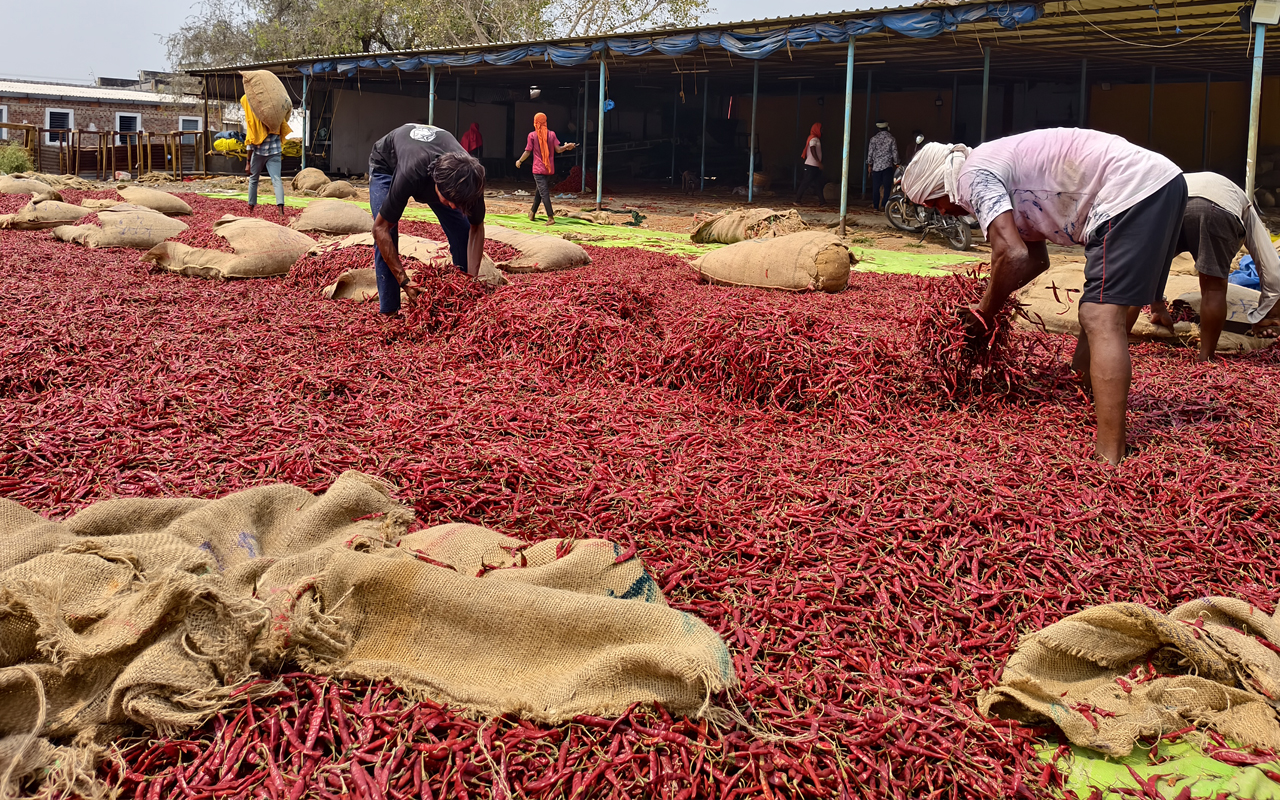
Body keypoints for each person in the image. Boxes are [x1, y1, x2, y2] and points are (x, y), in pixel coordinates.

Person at [901, 128, 1187, 465]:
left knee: (1099, 316)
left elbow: (1012, 254)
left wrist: (984, 312)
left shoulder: (972, 175)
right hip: (1162, 183)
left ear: (940, 185)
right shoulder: (993, 169)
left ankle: (1110, 455)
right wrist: (991, 295)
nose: (943, 213)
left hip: (1131, 189)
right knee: (1105, 304)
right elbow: (1035, 259)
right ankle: (1085, 391)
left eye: (935, 204)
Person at [1141, 172, 1280, 360]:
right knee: (1213, 288)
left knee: (1142, 272)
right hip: (1217, 208)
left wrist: (1156, 304)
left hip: (1167, 203)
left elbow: (1149, 266)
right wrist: (1265, 315)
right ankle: (1205, 358)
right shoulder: (1246, 208)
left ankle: (1116, 342)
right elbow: (1271, 267)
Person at [368, 123, 487, 316]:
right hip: (387, 165)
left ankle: (461, 294)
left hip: (439, 170)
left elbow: (476, 227)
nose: (454, 206)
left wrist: (471, 282)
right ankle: (389, 311)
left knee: (462, 229)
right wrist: (404, 280)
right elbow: (379, 229)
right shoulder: (410, 173)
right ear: (436, 185)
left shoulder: (471, 181)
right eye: (450, 201)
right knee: (388, 234)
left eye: (459, 202)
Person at [515, 113, 577, 225]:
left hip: (538, 169)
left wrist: (519, 161)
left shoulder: (532, 136)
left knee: (544, 192)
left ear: (535, 122)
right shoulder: (552, 134)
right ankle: (532, 212)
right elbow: (558, 150)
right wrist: (567, 147)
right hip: (549, 169)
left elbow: (527, 151)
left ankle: (550, 217)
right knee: (540, 191)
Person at [240, 94, 291, 218]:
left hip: (259, 153)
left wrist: (247, 162)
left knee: (253, 179)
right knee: (276, 180)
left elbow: (250, 142)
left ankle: (251, 207)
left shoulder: (254, 119)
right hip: (275, 151)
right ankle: (280, 210)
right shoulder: (276, 116)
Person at [866, 120, 899, 212]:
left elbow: (870, 153)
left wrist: (869, 164)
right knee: (887, 186)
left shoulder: (873, 139)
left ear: (878, 128)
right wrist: (896, 163)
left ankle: (876, 207)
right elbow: (895, 153)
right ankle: (885, 205)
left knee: (876, 187)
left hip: (876, 167)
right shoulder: (891, 139)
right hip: (887, 166)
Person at [795, 123, 826, 207]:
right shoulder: (814, 139)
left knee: (817, 183)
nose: (822, 131)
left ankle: (822, 201)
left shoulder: (815, 139)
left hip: (814, 166)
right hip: (811, 165)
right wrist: (818, 161)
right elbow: (812, 149)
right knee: (806, 182)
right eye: (821, 129)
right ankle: (797, 200)